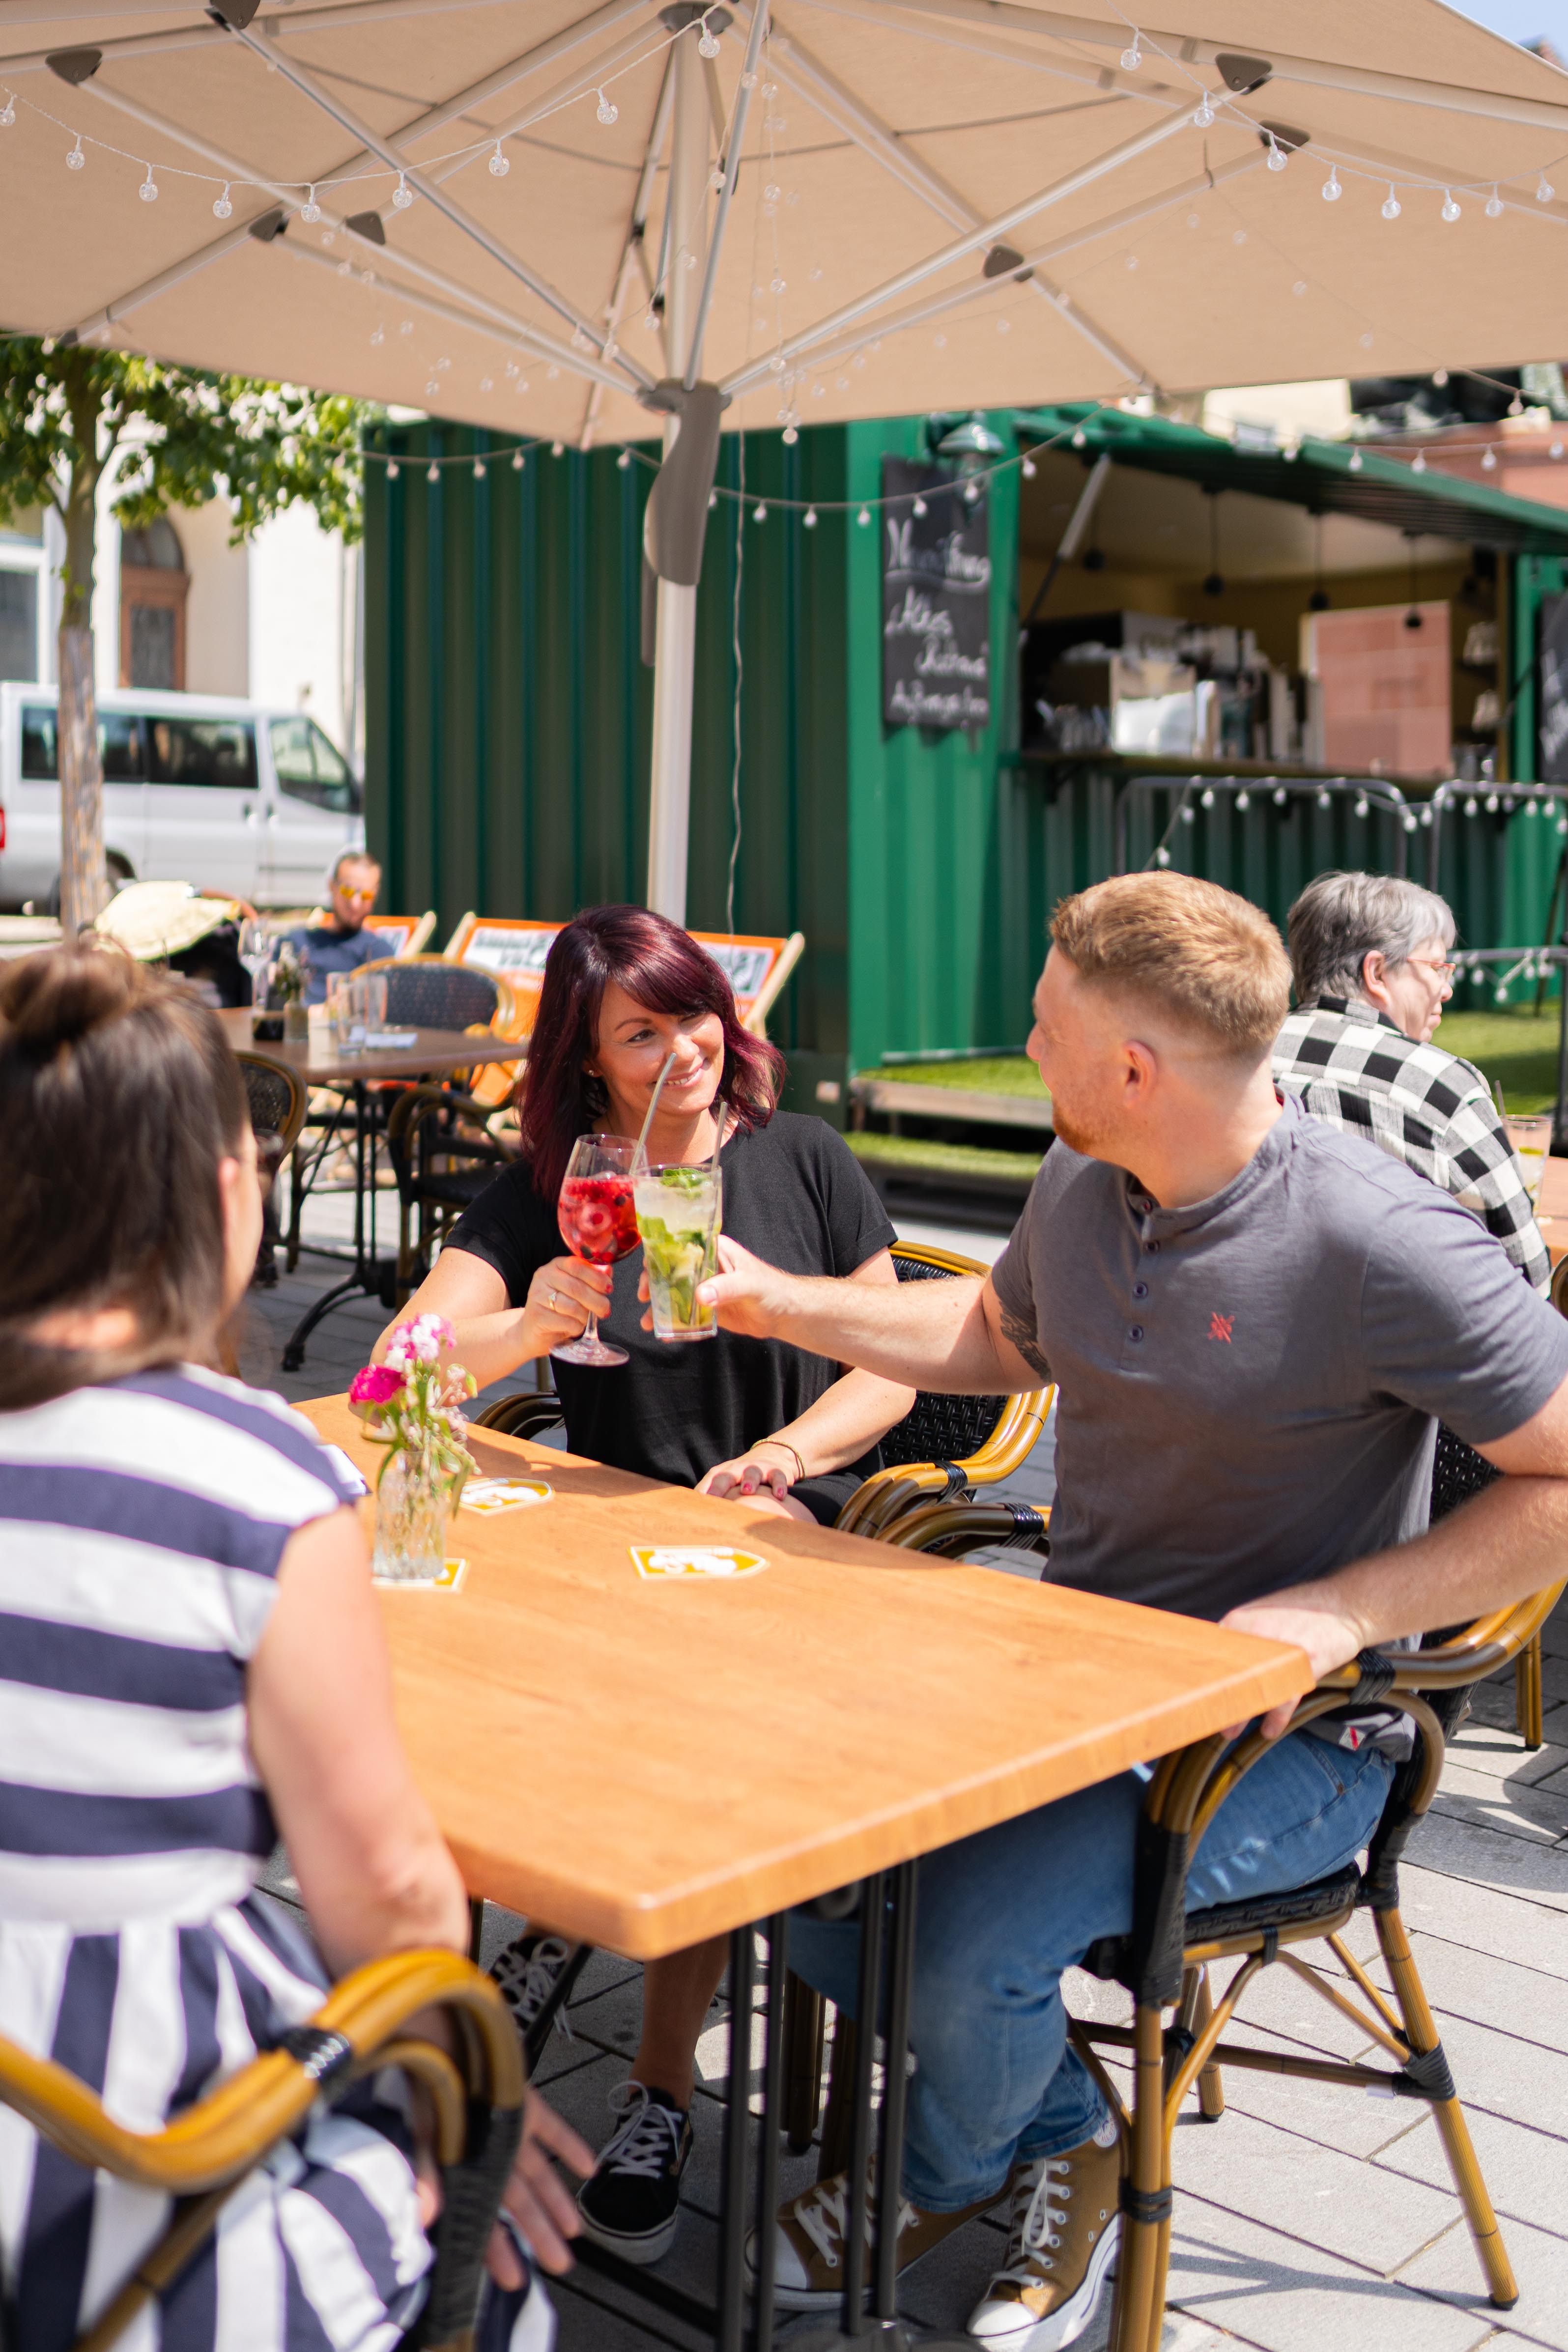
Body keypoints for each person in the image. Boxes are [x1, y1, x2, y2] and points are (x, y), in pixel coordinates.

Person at [690, 873, 1568, 2350]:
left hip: (1295, 1742)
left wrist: (1338, 1607)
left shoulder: (1377, 1239)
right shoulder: (1083, 1182)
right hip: (1073, 1682)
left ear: (1132, 1068)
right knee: (785, 1867)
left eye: (1041, 1029)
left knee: (959, 1936)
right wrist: (778, 1300)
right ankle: (1063, 2121)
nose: (1025, 1049)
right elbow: (998, 1333)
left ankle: (950, 2162)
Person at [0, 946, 593, 2351]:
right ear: (223, 1191)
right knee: (503, 2290)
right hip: (130, 2199)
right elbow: (387, 1894)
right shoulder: (250, 1476)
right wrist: (470, 2102)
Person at [384, 902, 914, 2267]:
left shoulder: (800, 1158)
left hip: (789, 1535)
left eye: (692, 1012)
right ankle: (529, 1931)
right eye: (641, 1028)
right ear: (589, 1058)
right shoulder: (559, 1183)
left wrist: (786, 1448)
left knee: (702, 1743)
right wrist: (532, 1319)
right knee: (433, 1664)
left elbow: (898, 1357)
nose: (681, 1045)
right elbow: (398, 1372)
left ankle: (655, 2087)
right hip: (607, 1540)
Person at [1273, 869, 1548, 1291]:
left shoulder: (1242, 1059)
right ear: (1377, 973)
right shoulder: (1440, 1088)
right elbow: (1526, 1274)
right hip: (1404, 1344)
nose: (1446, 989)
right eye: (1437, 967)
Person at [287, 849, 386, 1004]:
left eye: (366, 895)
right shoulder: (295, 942)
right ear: (332, 886)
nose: (355, 902)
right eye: (347, 890)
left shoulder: (378, 952)